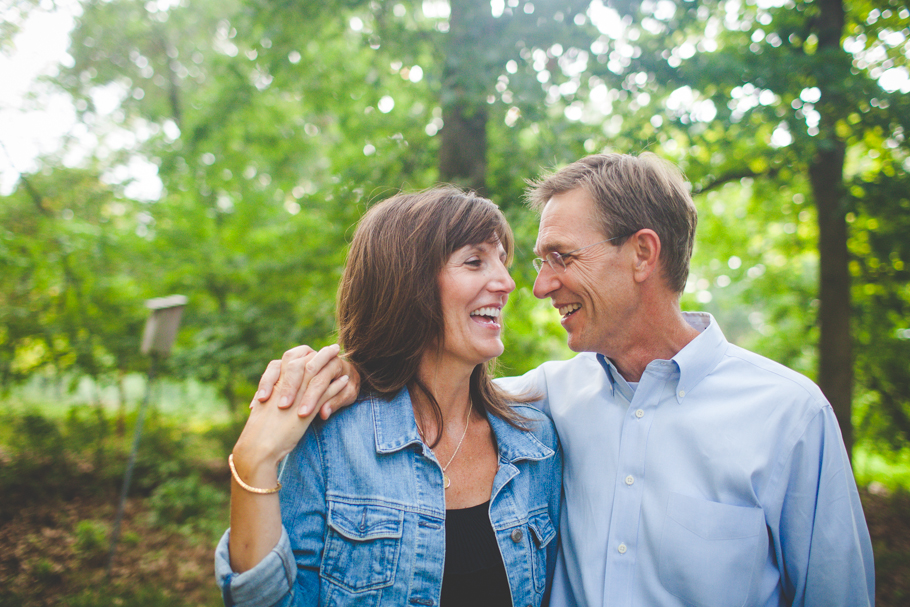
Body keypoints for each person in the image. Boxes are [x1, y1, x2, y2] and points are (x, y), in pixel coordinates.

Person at [259, 153, 875, 606]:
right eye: (537, 261)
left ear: (642, 253)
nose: (537, 284)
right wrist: (343, 366)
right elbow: (433, 380)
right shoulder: (548, 399)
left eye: (562, 257)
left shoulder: (788, 414)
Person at [214, 188, 562, 607]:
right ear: (407, 282)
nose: (507, 283)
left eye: (502, 262)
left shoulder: (535, 440)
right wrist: (254, 459)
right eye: (475, 261)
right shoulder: (331, 441)